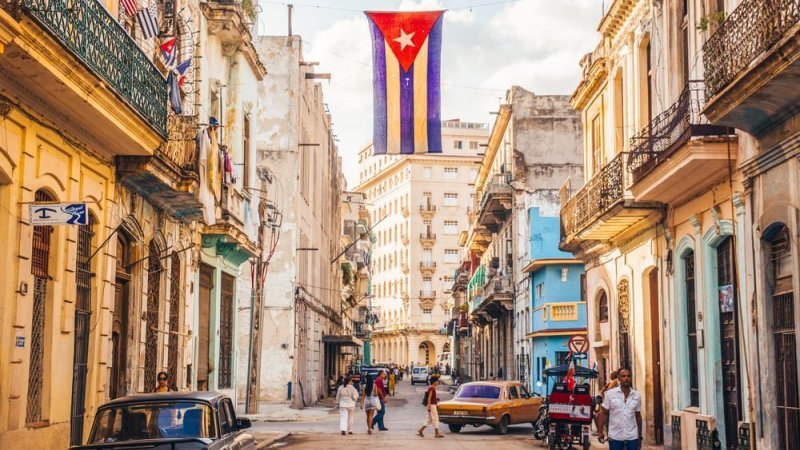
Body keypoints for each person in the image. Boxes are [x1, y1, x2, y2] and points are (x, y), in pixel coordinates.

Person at [597, 369, 642, 450]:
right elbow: (603, 413)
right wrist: (600, 432)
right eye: (623, 376)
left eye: (628, 376)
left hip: (632, 437)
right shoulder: (610, 394)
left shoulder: (637, 395)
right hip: (615, 437)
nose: (626, 378)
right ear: (619, 378)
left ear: (631, 378)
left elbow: (638, 416)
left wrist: (639, 437)